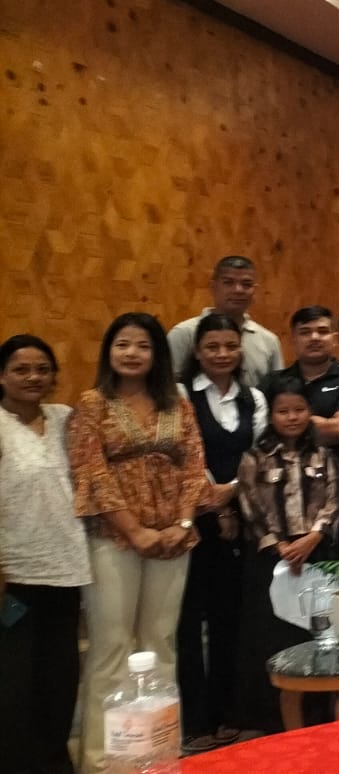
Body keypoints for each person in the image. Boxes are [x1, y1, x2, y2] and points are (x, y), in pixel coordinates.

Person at [70, 313, 211, 771]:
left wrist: (183, 524)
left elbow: (194, 466)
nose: (131, 353)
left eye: (142, 346)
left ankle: (159, 754)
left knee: (160, 644)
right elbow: (92, 472)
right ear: (109, 351)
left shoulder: (178, 405)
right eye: (122, 344)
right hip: (114, 540)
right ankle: (102, 761)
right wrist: (134, 530)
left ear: (158, 355)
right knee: (111, 648)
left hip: (173, 539)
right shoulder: (92, 405)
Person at [0, 335, 91, 774]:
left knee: (60, 675)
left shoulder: (63, 418)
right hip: (13, 576)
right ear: (2, 376)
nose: (33, 377)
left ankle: (55, 761)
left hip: (67, 569)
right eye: (21, 369)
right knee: (16, 678)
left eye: (42, 369)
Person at [176, 314, 266, 753]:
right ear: (197, 351)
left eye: (230, 346)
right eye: (212, 346)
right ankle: (194, 719)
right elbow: (185, 453)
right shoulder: (181, 395)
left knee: (231, 617)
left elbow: (259, 454)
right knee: (189, 621)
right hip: (191, 518)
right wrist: (214, 500)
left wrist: (229, 494)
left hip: (242, 516)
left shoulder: (254, 398)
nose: (222, 354)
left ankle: (229, 711)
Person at [232, 377, 339, 733]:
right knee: (272, 637)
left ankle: (317, 716)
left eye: (299, 409)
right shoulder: (254, 457)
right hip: (269, 557)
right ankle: (272, 722)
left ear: (309, 412)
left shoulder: (323, 455)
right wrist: (278, 546)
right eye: (283, 411)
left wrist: (314, 536)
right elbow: (249, 506)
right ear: (271, 415)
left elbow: (333, 501)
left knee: (315, 634)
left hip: (316, 553)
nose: (292, 417)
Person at [266, 306, 339, 550]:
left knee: (336, 567)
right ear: (293, 338)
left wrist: (285, 422)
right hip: (281, 494)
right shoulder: (273, 381)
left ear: (334, 338)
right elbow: (263, 431)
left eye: (322, 331)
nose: (314, 337)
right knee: (285, 566)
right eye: (305, 332)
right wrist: (321, 423)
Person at [167, 255, 284, 387]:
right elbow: (165, 386)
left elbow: (278, 390)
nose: (238, 290)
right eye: (228, 283)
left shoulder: (269, 341)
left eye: (246, 284)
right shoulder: (184, 333)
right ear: (213, 287)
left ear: (254, 290)